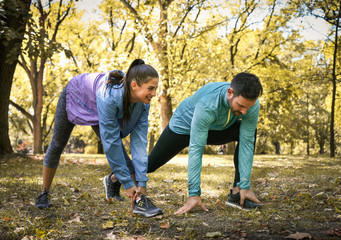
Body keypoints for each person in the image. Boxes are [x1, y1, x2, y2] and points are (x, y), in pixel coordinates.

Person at [106, 72, 263, 214]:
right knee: (150, 164)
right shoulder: (208, 104)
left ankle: (238, 192)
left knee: (248, 133)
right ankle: (114, 178)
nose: (244, 112)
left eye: (247, 108)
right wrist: (194, 194)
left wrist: (245, 184)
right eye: (241, 106)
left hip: (215, 127)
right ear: (230, 93)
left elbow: (247, 142)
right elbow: (196, 148)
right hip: (183, 127)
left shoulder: (251, 105)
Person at [35, 59, 163, 217]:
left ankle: (136, 198)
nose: (154, 94)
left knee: (126, 162)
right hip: (76, 94)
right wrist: (128, 184)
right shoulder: (108, 97)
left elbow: (139, 143)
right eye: (150, 88)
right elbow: (111, 141)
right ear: (134, 85)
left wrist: (142, 183)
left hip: (98, 106)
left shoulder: (144, 102)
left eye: (155, 88)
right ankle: (44, 192)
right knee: (57, 144)